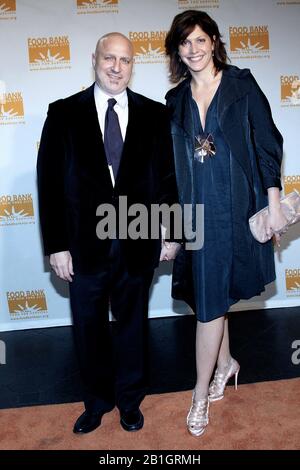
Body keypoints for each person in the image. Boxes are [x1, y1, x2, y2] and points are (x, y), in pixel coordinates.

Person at [37, 32, 179, 434]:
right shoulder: (63, 113)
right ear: (94, 59)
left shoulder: (155, 115)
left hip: (138, 240)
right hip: (83, 246)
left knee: (134, 326)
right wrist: (57, 246)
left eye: (126, 60)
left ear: (134, 65)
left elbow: (168, 179)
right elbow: (48, 184)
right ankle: (97, 402)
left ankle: (131, 402)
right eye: (109, 58)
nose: (117, 67)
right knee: (89, 328)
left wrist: (171, 233)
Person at [165, 10, 287, 437]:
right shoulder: (175, 100)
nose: (193, 49)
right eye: (185, 43)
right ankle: (227, 363)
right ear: (177, 50)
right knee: (209, 297)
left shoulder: (241, 84)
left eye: (200, 40)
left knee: (212, 301)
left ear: (214, 41)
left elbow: (267, 143)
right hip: (196, 212)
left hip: (235, 207)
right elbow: (170, 168)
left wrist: (273, 205)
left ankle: (199, 394)